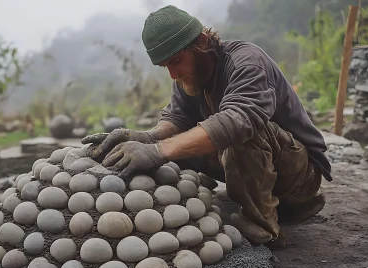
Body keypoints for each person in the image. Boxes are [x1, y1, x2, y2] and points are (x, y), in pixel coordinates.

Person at [81, 5, 332, 248]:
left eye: (176, 61)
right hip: (258, 166)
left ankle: (266, 227)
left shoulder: (246, 62)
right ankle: (244, 200)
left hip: (299, 175)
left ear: (201, 41)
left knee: (239, 131)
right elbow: (177, 120)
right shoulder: (189, 75)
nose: (172, 74)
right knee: (172, 147)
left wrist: (158, 151)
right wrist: (147, 138)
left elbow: (238, 120)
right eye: (165, 66)